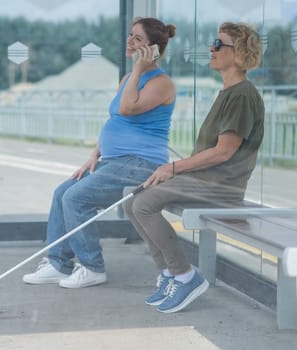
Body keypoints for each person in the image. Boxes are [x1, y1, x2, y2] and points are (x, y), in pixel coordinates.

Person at [22, 17, 177, 288]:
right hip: (113, 160)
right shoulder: (129, 77)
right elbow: (115, 119)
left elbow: (129, 108)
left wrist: (140, 70)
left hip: (142, 163)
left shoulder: (161, 83)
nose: (129, 41)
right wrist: (95, 154)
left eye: (138, 39)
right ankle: (59, 264)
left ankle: (92, 267)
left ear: (153, 48)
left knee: (75, 199)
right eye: (130, 36)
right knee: (62, 193)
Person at [123, 22, 264, 313]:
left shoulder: (242, 95)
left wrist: (174, 168)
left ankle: (185, 275)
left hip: (221, 186)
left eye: (218, 44)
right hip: (205, 180)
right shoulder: (229, 92)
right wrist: (175, 169)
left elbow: (224, 152)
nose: (211, 49)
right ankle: (169, 273)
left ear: (237, 54)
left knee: (144, 203)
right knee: (132, 199)